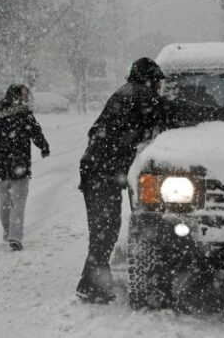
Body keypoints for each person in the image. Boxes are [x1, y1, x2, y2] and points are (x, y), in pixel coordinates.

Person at [75, 57, 166, 303]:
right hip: (101, 172)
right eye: (158, 82)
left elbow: (97, 131)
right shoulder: (139, 95)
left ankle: (93, 285)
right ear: (150, 79)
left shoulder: (127, 93)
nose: (159, 87)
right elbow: (172, 111)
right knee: (104, 230)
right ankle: (91, 287)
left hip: (98, 170)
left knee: (104, 229)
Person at [0, 84, 50, 251]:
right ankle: (15, 236)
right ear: (17, 95)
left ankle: (8, 231)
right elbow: (36, 132)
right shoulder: (24, 113)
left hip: (0, 166)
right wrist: (44, 147)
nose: (26, 98)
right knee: (18, 202)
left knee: (4, 202)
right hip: (20, 165)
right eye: (24, 95)